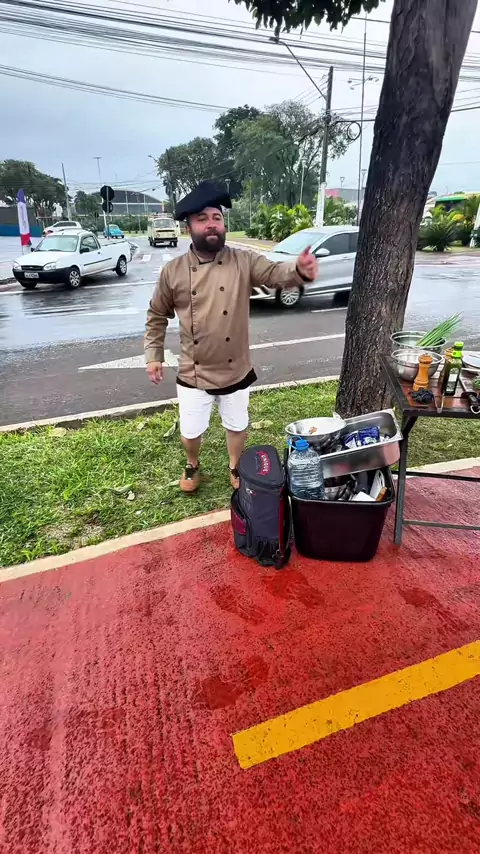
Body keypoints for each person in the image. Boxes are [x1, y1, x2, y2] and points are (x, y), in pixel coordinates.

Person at [144, 180, 318, 493]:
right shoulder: (173, 271)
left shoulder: (243, 261)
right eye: (202, 219)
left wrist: (299, 270)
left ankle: (235, 465)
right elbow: (157, 314)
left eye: (217, 217)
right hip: (194, 369)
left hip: (235, 366)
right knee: (190, 431)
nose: (211, 224)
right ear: (188, 227)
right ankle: (192, 463)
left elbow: (275, 274)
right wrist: (153, 355)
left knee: (237, 425)